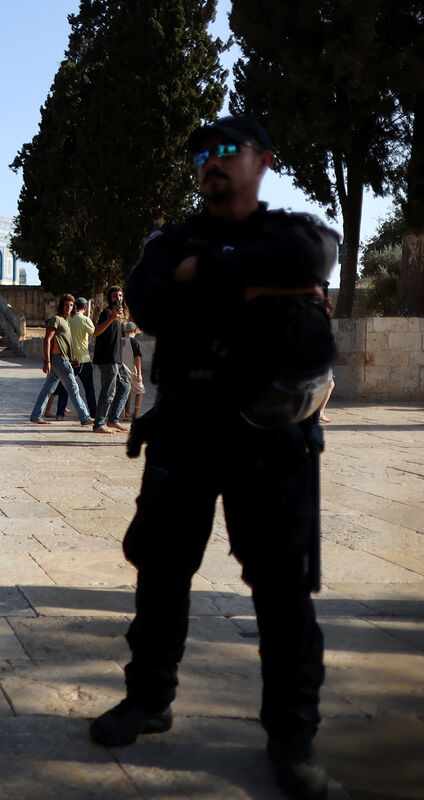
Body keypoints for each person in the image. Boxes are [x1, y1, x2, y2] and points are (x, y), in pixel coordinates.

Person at [90, 116, 338, 800]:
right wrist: (253, 286)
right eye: (201, 152)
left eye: (228, 149)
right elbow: (151, 303)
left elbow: (314, 260)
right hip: (187, 427)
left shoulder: (295, 233)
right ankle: (149, 699)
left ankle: (292, 737)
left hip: (272, 437)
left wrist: (208, 277)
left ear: (265, 160)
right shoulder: (170, 242)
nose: (211, 161)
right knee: (162, 571)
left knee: (282, 589)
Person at [29, 293, 92, 426]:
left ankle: (36, 416)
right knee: (73, 389)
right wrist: (47, 361)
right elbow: (47, 339)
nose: (69, 307)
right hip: (59, 360)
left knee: (47, 389)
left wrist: (73, 358)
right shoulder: (56, 319)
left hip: (62, 360)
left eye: (71, 305)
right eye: (66, 305)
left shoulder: (67, 321)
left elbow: (66, 343)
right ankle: (85, 417)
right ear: (61, 306)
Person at [52, 297, 97, 421]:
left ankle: (60, 414)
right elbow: (95, 335)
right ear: (85, 308)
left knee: (65, 387)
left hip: (69, 358)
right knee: (89, 388)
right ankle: (94, 413)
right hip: (83, 359)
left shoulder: (67, 320)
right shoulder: (85, 320)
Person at [92, 286, 130, 434]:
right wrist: (111, 318)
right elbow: (96, 332)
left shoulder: (118, 317)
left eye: (120, 295)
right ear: (110, 298)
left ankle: (113, 420)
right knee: (108, 392)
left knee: (125, 387)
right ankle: (99, 424)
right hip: (108, 359)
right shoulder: (107, 313)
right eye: (115, 296)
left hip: (116, 359)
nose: (118, 298)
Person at [120, 321, 144, 421]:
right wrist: (139, 374)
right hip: (132, 371)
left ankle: (125, 412)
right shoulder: (134, 342)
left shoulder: (120, 341)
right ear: (134, 331)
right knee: (140, 391)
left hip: (121, 371)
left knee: (126, 391)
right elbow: (137, 359)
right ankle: (136, 412)